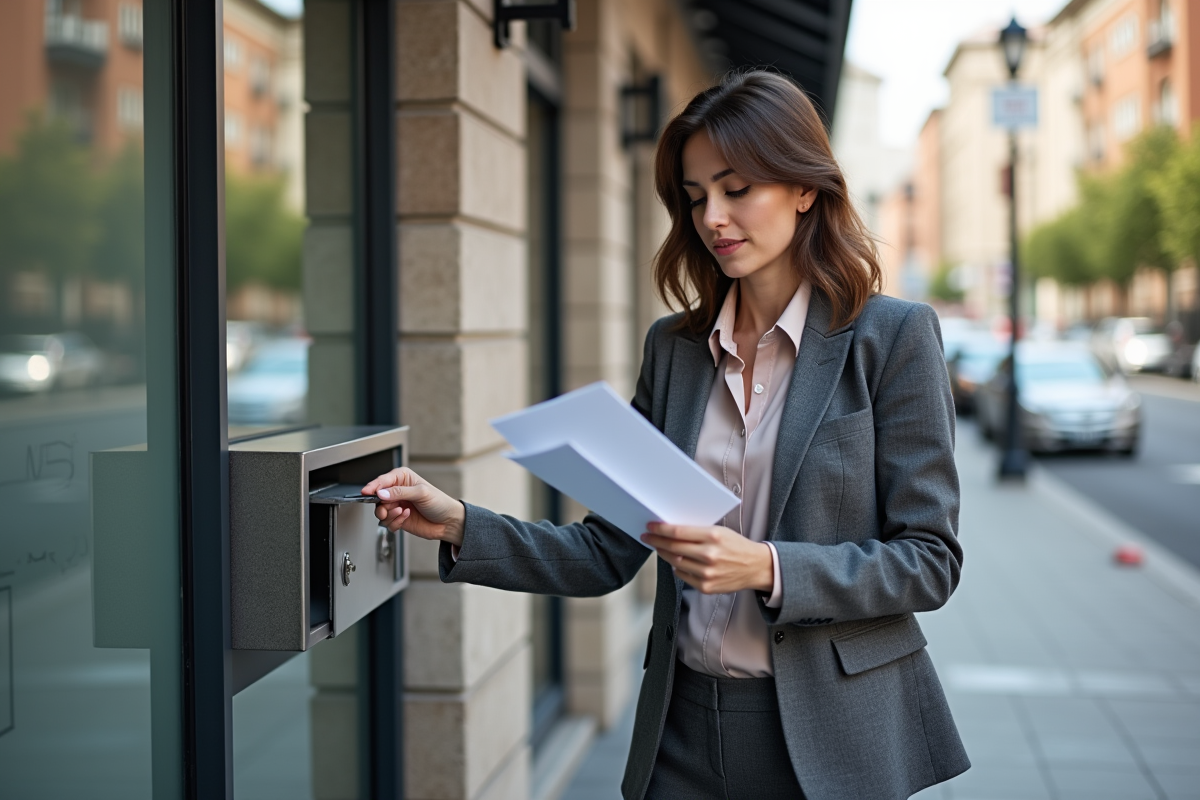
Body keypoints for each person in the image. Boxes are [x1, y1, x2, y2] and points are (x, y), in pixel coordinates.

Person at [362, 70, 969, 800]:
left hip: (831, 742)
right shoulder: (675, 349)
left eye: (736, 188)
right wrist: (459, 522)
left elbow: (928, 559)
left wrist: (768, 567)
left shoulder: (891, 337)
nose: (713, 216)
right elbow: (607, 550)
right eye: (695, 196)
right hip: (680, 734)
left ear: (805, 188)